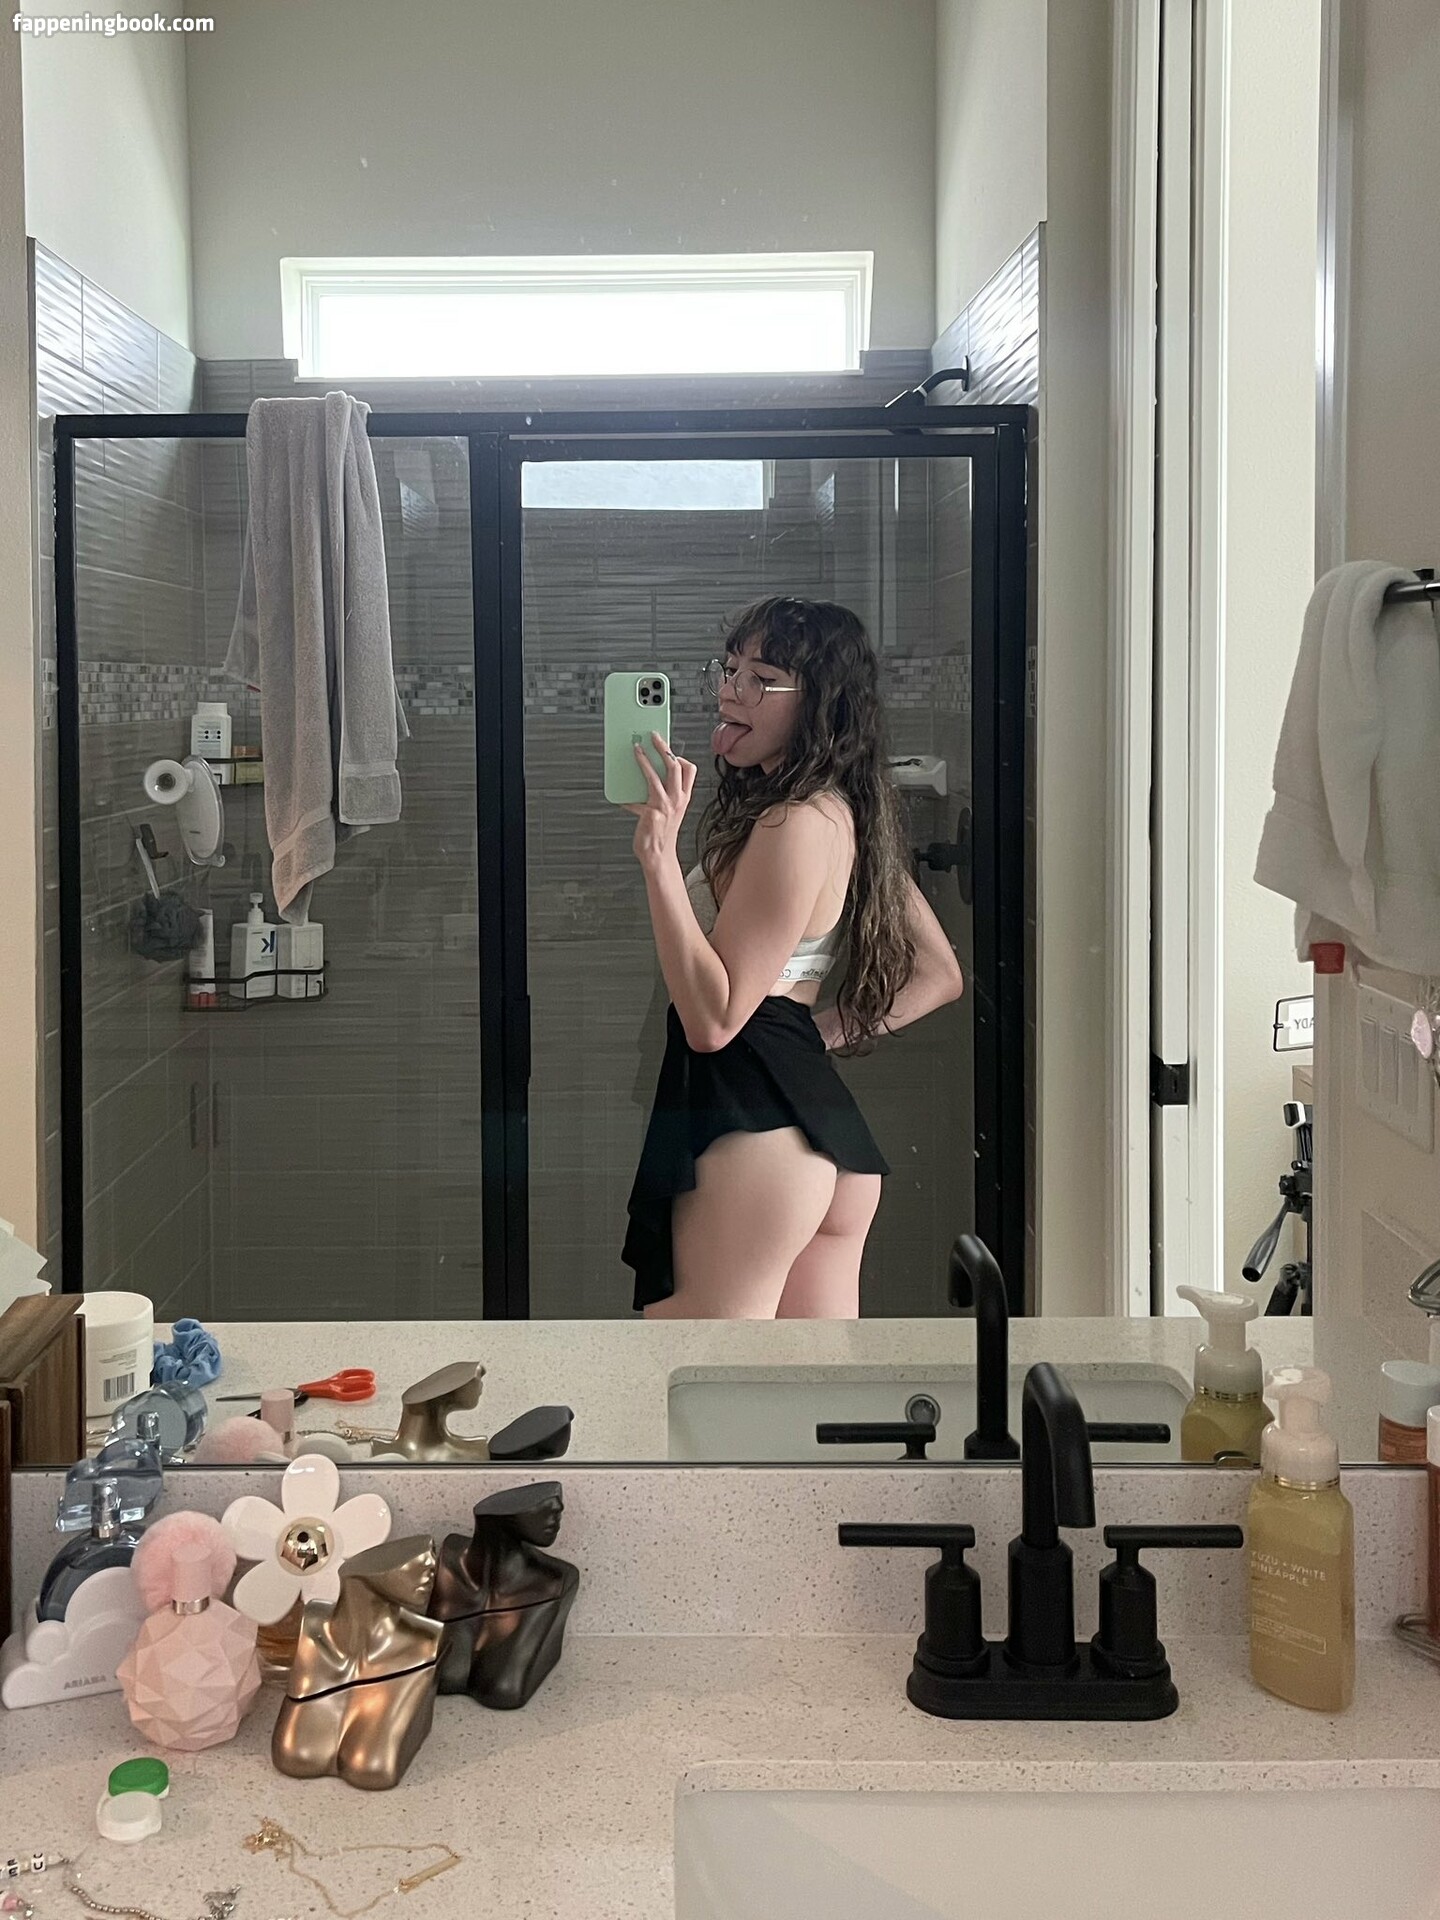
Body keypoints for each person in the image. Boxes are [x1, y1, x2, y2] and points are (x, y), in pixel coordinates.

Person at [620, 594, 965, 1320]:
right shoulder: (840, 811)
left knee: (700, 1379)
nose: (731, 690)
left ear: (819, 703)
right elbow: (939, 974)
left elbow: (714, 1021)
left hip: (752, 1132)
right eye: (731, 668)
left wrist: (658, 857)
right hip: (814, 1132)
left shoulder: (793, 822)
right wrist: (807, 1035)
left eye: (764, 678)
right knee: (805, 1387)